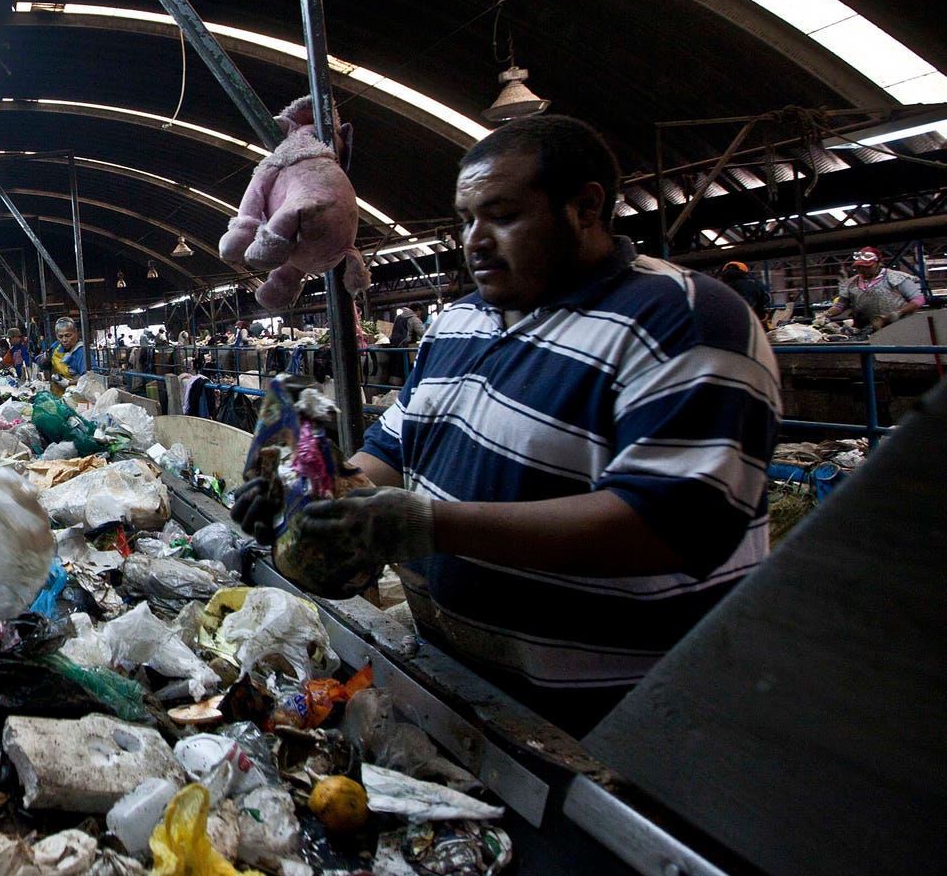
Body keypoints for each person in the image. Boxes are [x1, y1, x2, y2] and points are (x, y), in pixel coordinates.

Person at [271, 115, 780, 735]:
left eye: (503, 216)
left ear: (585, 207)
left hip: (625, 725)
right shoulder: (457, 323)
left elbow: (671, 524)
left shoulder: (686, 320)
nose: (476, 241)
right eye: (466, 220)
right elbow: (394, 449)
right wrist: (326, 496)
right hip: (470, 698)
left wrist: (428, 526)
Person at [821, 248, 924, 332]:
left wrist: (898, 312)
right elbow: (840, 306)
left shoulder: (896, 278)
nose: (863, 270)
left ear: (879, 263)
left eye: (868, 267)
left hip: (900, 327)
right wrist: (826, 314)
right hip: (865, 329)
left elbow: (918, 299)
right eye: (859, 267)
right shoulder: (850, 283)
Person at [46, 318, 87, 390]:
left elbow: (89, 378)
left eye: (68, 335)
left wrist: (68, 383)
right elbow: (42, 362)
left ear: (75, 332)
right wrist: (44, 359)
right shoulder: (56, 346)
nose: (64, 340)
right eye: (60, 336)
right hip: (56, 394)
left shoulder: (81, 352)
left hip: (75, 394)